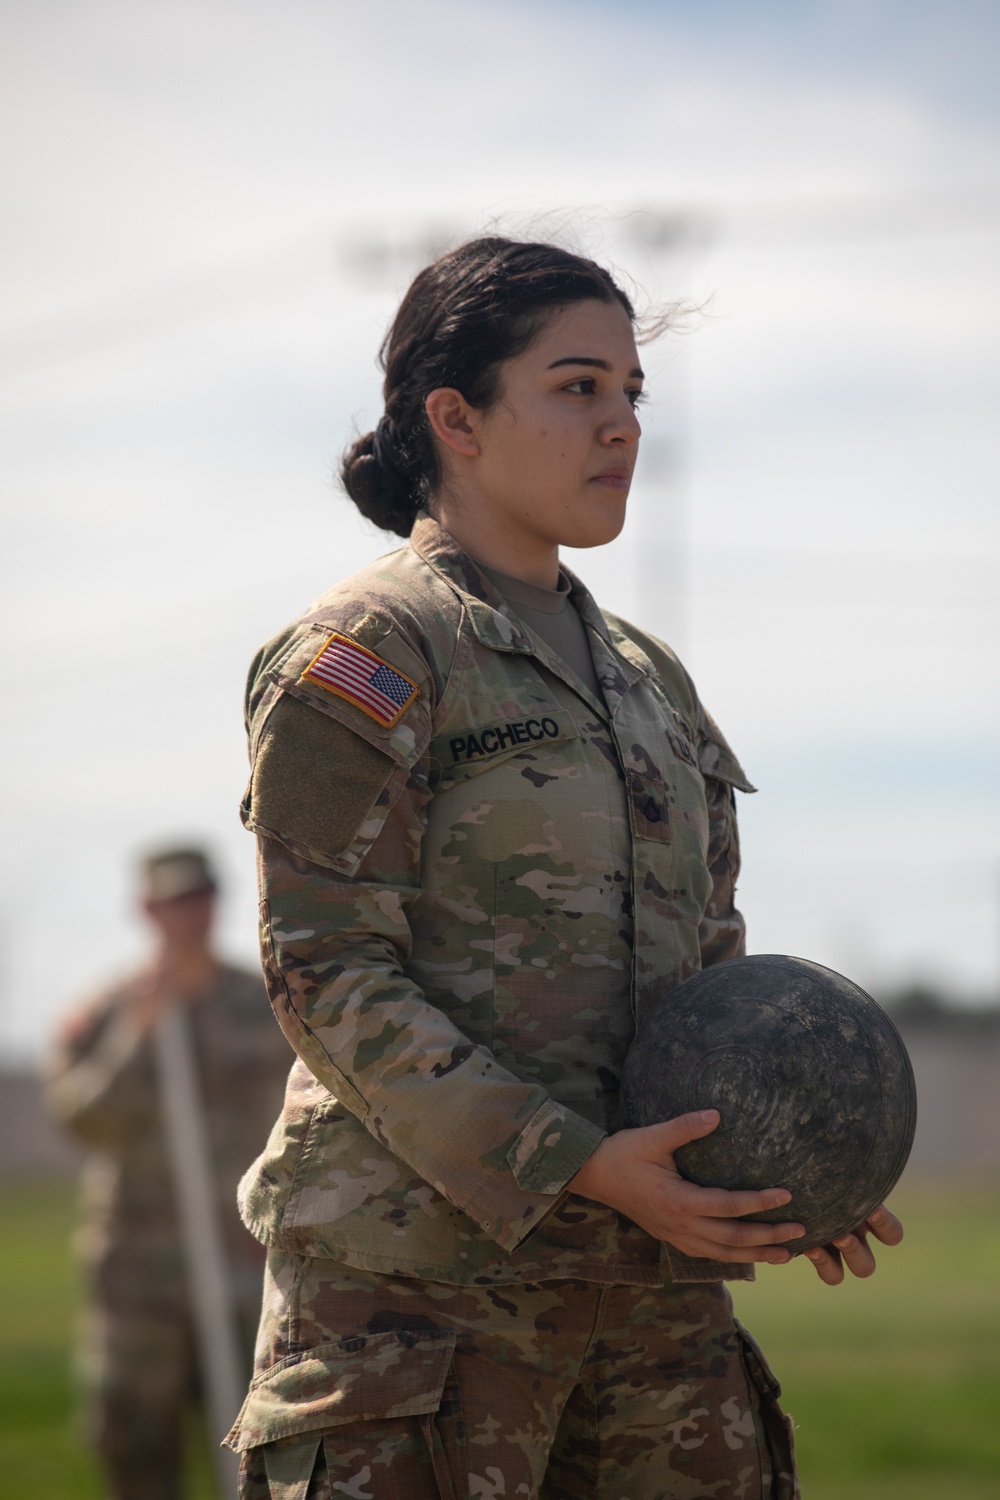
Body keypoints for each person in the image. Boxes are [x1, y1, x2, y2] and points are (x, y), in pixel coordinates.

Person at [227, 237, 903, 1500]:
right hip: (419, 1315)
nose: (622, 427)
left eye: (632, 394)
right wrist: (575, 1160)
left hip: (652, 1316)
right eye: (579, 387)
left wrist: (793, 1151)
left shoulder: (651, 680)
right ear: (456, 417)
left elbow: (709, 976)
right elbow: (325, 971)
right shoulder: (365, 656)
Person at [47, 845, 292, 1500]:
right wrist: (142, 1029)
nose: (193, 914)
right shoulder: (107, 1010)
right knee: (136, 1443)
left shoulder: (264, 1001)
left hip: (245, 1261)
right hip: (142, 1274)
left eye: (203, 897)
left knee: (264, 1442)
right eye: (177, 900)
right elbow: (84, 1119)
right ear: (148, 909)